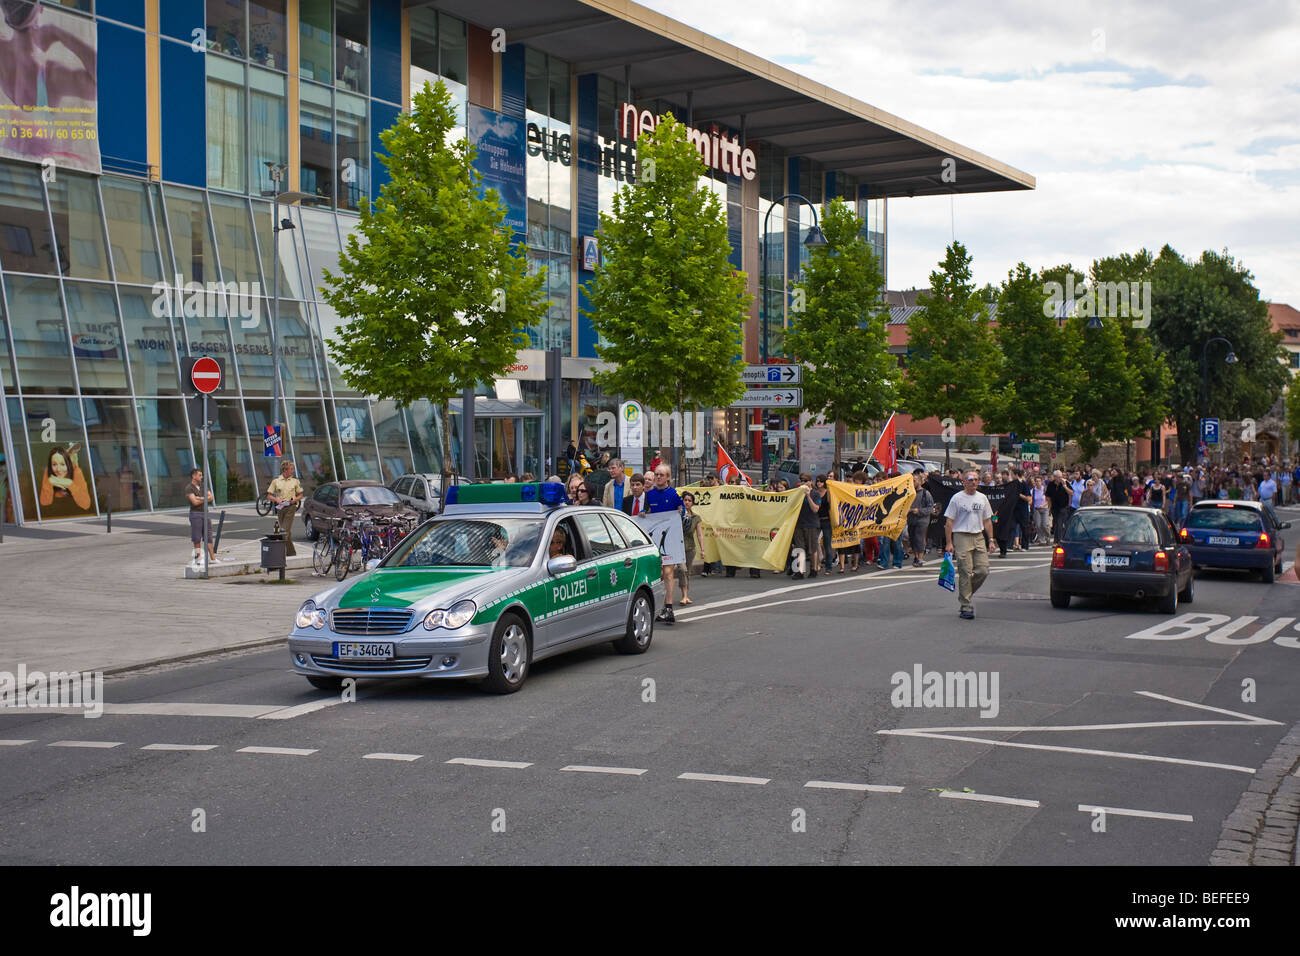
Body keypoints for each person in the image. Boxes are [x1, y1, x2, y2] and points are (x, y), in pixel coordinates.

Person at [944, 472, 994, 620]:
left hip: (978, 536)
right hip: (961, 535)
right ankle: (966, 605)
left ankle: (965, 593)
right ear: (964, 482)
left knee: (983, 570)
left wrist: (991, 540)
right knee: (965, 570)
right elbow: (949, 522)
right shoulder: (957, 498)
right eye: (971, 480)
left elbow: (987, 521)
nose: (974, 482)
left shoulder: (982, 497)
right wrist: (949, 542)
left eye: (977, 480)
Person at [645, 464, 683, 624]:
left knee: (668, 573)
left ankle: (669, 608)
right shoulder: (650, 494)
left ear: (667, 477)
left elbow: (682, 512)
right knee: (657, 574)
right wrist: (643, 513)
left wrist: (682, 511)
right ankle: (658, 606)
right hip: (654, 540)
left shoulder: (673, 494)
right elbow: (646, 512)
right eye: (656, 474)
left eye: (661, 475)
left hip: (670, 540)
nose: (658, 477)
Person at [38, 444, 91, 517]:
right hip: (53, 518)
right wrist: (49, 484)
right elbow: (44, 503)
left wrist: (70, 484)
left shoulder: (76, 472)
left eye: (63, 464)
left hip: (76, 517)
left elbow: (86, 504)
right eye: (54, 464)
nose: (58, 469)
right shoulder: (48, 472)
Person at [266, 459, 303, 556]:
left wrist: (294, 500)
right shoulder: (276, 481)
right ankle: (291, 553)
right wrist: (277, 500)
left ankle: (281, 553)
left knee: (284, 530)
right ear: (285, 470)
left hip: (291, 507)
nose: (293, 470)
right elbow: (269, 495)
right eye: (291, 469)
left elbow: (300, 495)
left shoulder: (295, 481)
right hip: (280, 508)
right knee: (286, 532)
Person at [185, 467, 219, 566]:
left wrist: (200, 497)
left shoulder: (204, 485)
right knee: (197, 537)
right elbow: (194, 502)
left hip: (205, 513)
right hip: (195, 514)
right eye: (199, 475)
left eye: (201, 475)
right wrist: (205, 498)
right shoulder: (189, 488)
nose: (202, 477)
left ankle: (213, 558)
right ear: (193, 476)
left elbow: (211, 497)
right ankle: (198, 558)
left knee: (208, 536)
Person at [791, 473, 822, 578]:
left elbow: (815, 509)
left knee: (812, 548)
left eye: (805, 480)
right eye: (801, 481)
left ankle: (814, 569)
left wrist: (808, 495)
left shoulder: (815, 494)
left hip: (811, 524)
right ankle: (799, 571)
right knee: (799, 548)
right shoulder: (797, 492)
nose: (803, 483)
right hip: (799, 523)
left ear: (811, 482)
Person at [679, 491, 704, 603]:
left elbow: (699, 534)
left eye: (689, 501)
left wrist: (702, 550)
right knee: (682, 570)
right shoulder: (677, 514)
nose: (687, 502)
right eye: (685, 500)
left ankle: (685, 595)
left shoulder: (696, 518)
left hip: (690, 548)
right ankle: (684, 596)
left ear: (692, 503)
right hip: (678, 548)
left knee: (687, 572)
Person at [907, 470, 935, 567]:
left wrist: (919, 511)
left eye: (914, 481)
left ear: (919, 481)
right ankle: (916, 556)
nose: (913, 483)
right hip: (910, 519)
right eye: (911, 481)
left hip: (922, 520)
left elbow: (930, 508)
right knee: (912, 538)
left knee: (919, 538)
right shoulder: (909, 493)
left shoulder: (925, 493)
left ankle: (920, 558)